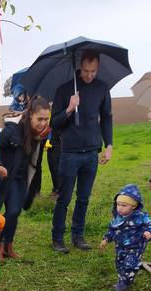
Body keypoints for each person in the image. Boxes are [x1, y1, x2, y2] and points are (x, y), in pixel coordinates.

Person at [51, 50, 113, 254]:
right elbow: (54, 123)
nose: (89, 75)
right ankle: (57, 238)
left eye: (93, 71)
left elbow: (107, 118)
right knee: (64, 198)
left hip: (91, 152)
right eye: (86, 70)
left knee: (84, 197)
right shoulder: (64, 90)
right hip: (69, 153)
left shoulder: (102, 88)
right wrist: (69, 109)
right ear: (80, 66)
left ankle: (78, 236)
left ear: (98, 67)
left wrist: (109, 145)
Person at [0, 96, 50, 260]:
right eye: (40, 119)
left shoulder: (40, 135)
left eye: (46, 119)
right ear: (31, 114)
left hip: (20, 178)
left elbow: (35, 162)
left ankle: (8, 246)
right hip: (5, 176)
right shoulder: (12, 130)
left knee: (14, 211)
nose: (43, 123)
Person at [100, 184, 151, 291]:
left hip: (136, 246)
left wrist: (149, 233)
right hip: (120, 246)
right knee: (119, 263)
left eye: (124, 205)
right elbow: (112, 230)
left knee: (129, 264)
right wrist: (106, 239)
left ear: (134, 206)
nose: (120, 208)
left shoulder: (141, 217)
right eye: (118, 204)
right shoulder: (118, 218)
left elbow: (150, 226)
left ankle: (125, 282)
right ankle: (123, 277)